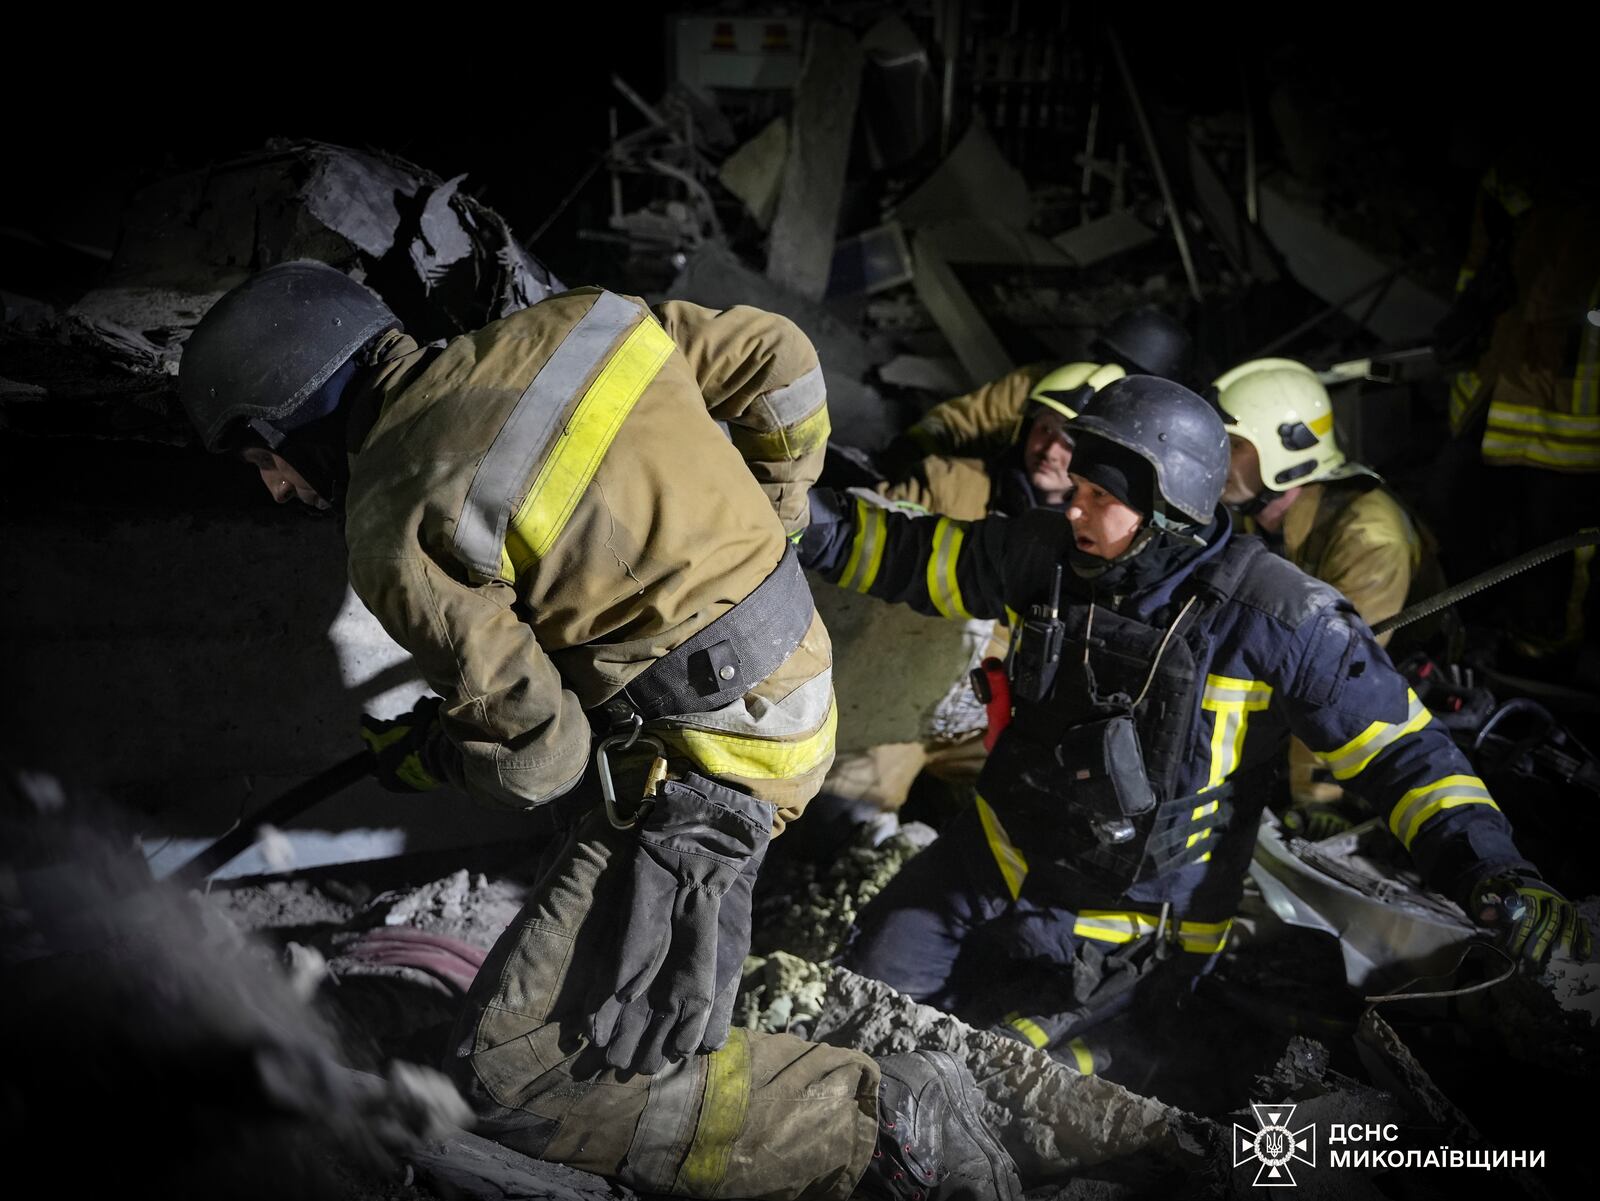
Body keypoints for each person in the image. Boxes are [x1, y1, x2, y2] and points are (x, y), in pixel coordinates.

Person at [177, 259, 1021, 1201]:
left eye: (264, 463)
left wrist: (430, 756)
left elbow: (544, 760)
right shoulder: (581, 323)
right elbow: (780, 358)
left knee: (516, 1076)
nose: (277, 490)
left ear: (284, 421)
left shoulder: (391, 515)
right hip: (800, 679)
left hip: (717, 763)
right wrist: (770, 524)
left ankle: (869, 1120)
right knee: (603, 1021)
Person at [799, 374, 1589, 1087]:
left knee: (991, 1081)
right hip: (993, 862)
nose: (1073, 506)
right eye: (1074, 485)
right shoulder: (1046, 553)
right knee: (860, 1013)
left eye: (1099, 496)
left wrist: (1494, 872)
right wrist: (794, 519)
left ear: (1169, 509)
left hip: (1132, 932)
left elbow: (1405, 756)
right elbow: (908, 553)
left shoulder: (1280, 619)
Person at [1214, 357, 1445, 836]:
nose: (1215, 457)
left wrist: (1316, 801)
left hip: (1381, 700)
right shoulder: (1252, 515)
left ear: (1285, 455)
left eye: (1233, 445)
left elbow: (1338, 678)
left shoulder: (1369, 537)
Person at [873, 306, 1194, 520]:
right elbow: (962, 421)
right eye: (1046, 430)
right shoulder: (1048, 383)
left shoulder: (1151, 438)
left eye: (1071, 441)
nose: (1054, 448)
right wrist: (912, 459)